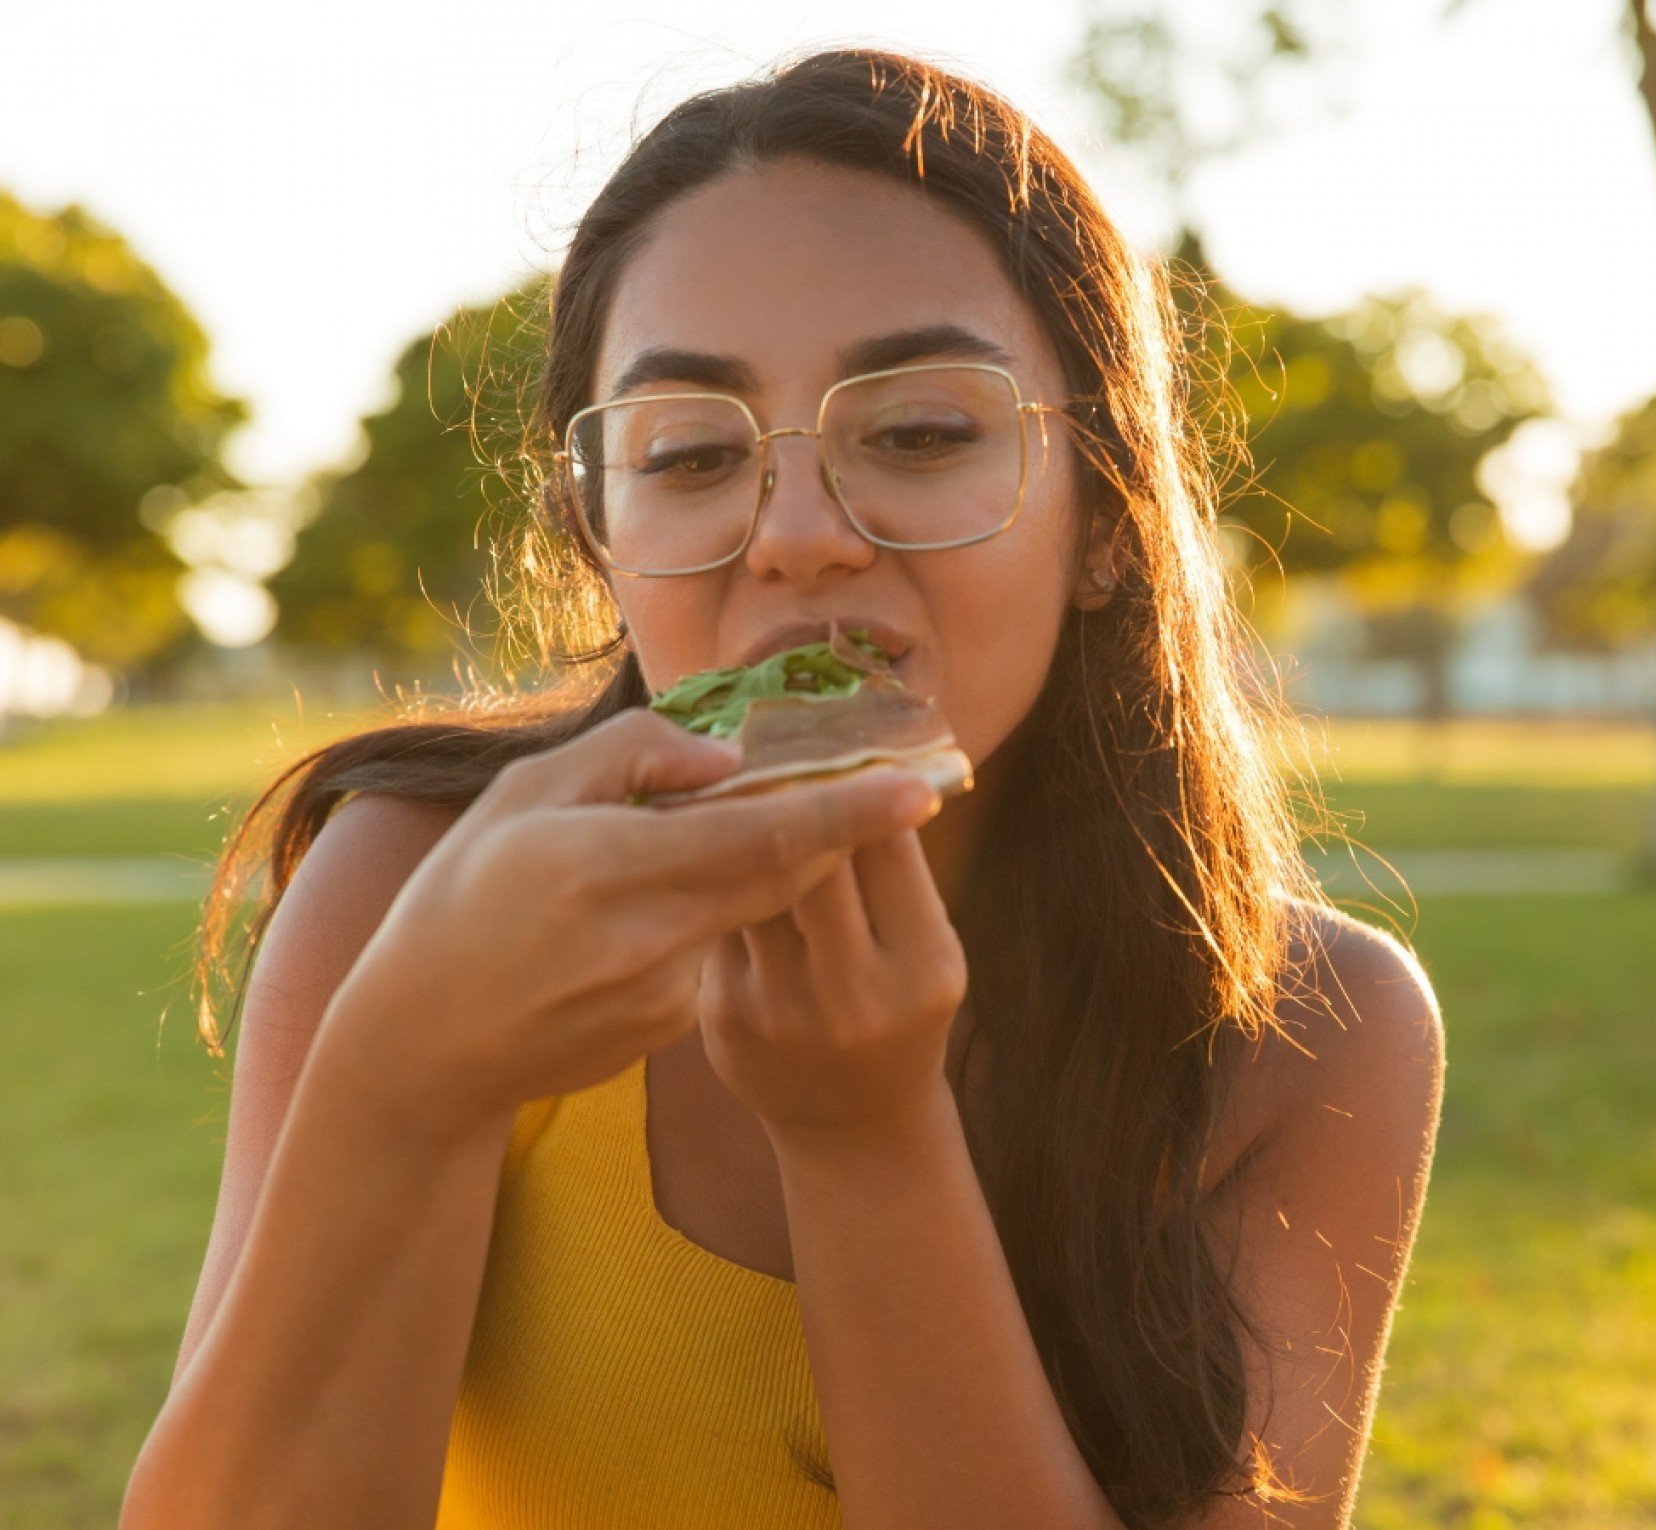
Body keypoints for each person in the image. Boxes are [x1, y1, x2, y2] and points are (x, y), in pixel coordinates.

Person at [122, 46, 1444, 1530]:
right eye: (690, 452)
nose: (799, 533)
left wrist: (866, 1138)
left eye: (923, 432)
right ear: (599, 538)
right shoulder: (408, 886)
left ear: (1109, 518)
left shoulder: (1307, 1032)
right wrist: (409, 1068)